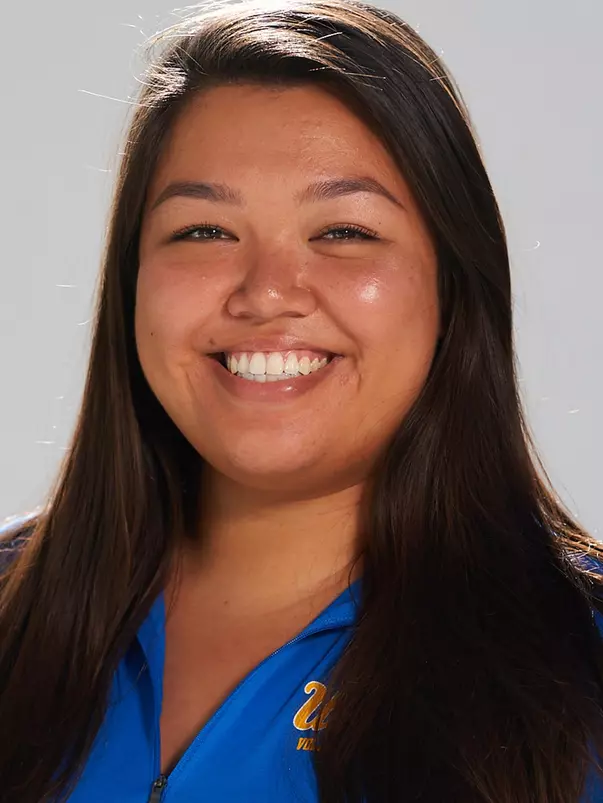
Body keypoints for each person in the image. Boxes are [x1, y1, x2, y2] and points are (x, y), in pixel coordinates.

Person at [1, 0, 603, 800]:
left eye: (343, 231)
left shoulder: (580, 661)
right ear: (130, 284)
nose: (267, 293)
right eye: (204, 231)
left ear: (452, 286)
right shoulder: (12, 609)